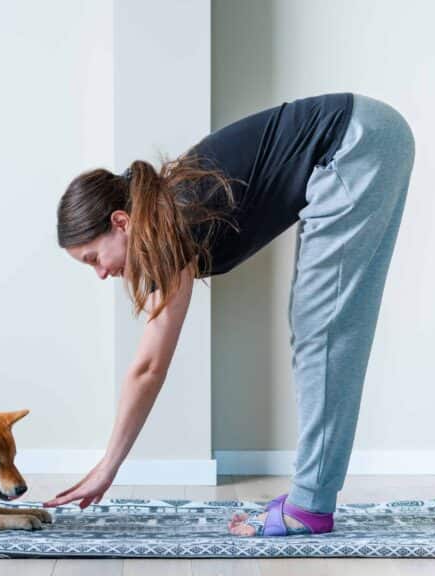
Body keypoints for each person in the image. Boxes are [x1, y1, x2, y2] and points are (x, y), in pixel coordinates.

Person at [43, 93, 415, 537]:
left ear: (120, 223)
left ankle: (311, 505)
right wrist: (110, 466)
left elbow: (148, 367)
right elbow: (150, 362)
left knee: (325, 331)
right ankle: (310, 494)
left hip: (355, 142)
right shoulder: (166, 216)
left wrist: (107, 468)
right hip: (363, 136)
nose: (102, 273)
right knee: (321, 327)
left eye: (92, 258)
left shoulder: (174, 220)